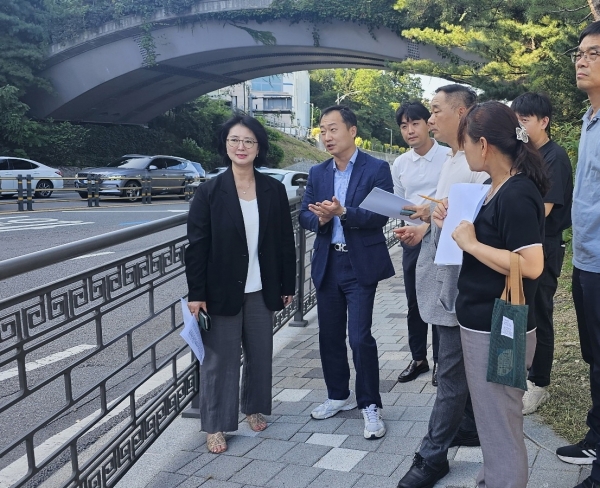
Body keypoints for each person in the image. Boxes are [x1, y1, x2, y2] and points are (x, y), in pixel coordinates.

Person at [434, 101, 548, 488]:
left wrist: (471, 243)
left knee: (500, 424)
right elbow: (492, 240)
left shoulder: (517, 192)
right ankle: (494, 478)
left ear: (483, 145)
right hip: (485, 323)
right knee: (492, 420)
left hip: (499, 327)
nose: (463, 150)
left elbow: (531, 264)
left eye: (465, 142)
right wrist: (453, 225)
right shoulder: (493, 187)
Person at [185, 114, 296, 454]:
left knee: (260, 354)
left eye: (249, 141)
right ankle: (215, 424)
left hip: (262, 288)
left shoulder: (273, 189)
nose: (241, 146)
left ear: (259, 148)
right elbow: (197, 247)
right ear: (225, 145)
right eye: (234, 140)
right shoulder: (209, 191)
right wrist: (196, 293)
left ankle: (254, 407)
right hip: (220, 290)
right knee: (220, 361)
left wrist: (287, 284)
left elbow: (284, 241)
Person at [396, 85, 487, 488]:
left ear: (462, 112)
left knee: (449, 372)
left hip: (460, 284)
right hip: (444, 278)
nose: (430, 119)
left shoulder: (477, 163)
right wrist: (425, 226)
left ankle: (432, 457)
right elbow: (447, 216)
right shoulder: (453, 158)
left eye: (435, 111)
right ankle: (467, 425)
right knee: (453, 368)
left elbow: (477, 224)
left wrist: (441, 217)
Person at [299, 105, 395, 439]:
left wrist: (343, 212)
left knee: (359, 337)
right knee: (329, 335)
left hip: (359, 264)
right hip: (328, 262)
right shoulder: (318, 172)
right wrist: (322, 218)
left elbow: (381, 215)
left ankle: (369, 403)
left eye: (333, 129)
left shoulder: (376, 168)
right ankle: (338, 395)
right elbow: (304, 214)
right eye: (322, 130)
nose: (326, 136)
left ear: (352, 131)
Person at [555, 21, 600, 488]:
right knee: (594, 357)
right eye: (579, 52)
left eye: (594, 53)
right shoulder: (590, 119)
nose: (582, 60)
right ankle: (596, 436)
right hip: (586, 259)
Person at [511, 92, 574, 415]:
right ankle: (523, 374)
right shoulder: (525, 156)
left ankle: (539, 383)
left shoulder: (554, 157)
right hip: (523, 246)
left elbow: (545, 209)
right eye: (515, 121)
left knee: (540, 313)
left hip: (545, 246)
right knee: (522, 312)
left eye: (524, 120)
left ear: (544, 121)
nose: (518, 127)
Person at [392, 101, 446, 386]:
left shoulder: (448, 156)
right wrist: (405, 228)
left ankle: (441, 361)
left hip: (439, 237)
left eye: (415, 123)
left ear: (428, 123)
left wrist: (425, 225)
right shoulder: (400, 163)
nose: (410, 130)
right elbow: (400, 204)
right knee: (414, 300)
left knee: (437, 299)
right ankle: (418, 358)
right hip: (411, 240)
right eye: (404, 126)